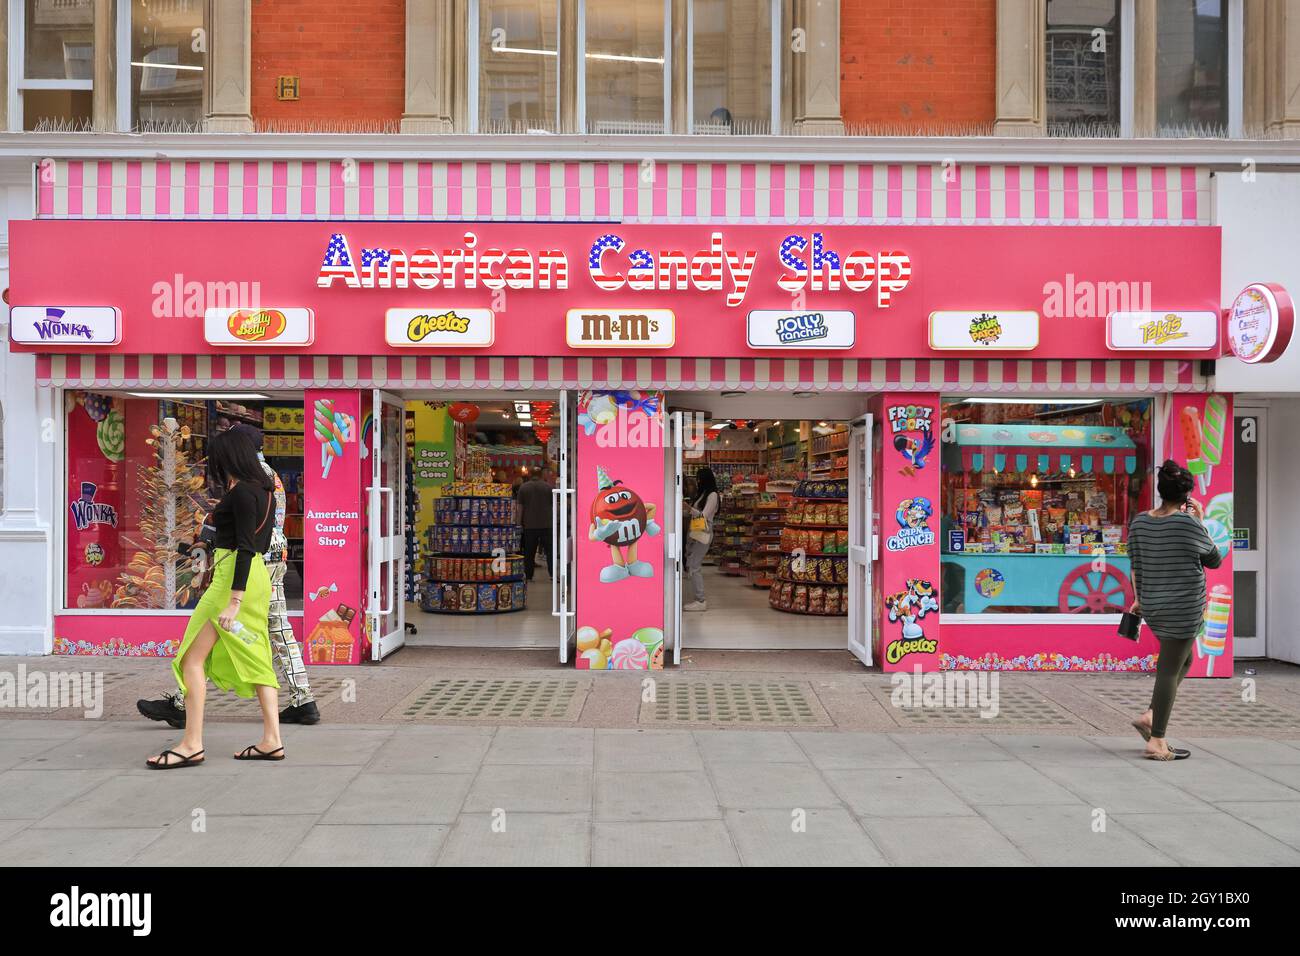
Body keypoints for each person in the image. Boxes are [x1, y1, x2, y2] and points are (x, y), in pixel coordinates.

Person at [137, 424, 320, 727]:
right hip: (271, 555)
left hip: (252, 559)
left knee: (240, 633)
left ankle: (185, 703)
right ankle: (302, 698)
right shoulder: (266, 475)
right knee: (273, 630)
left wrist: (210, 547)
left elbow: (239, 526)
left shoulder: (250, 479)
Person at [145, 428, 284, 768]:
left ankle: (191, 743)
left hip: (233, 582)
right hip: (255, 579)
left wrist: (233, 601)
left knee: (191, 660)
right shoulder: (266, 492)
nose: (214, 465)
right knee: (257, 656)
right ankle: (272, 740)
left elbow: (245, 548)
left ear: (230, 457)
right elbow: (248, 544)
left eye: (218, 458)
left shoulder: (241, 494)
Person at [1127, 459, 1223, 761]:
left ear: (1160, 491)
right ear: (1187, 496)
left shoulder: (1140, 522)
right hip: (1183, 606)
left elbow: (1135, 564)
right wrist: (1201, 519)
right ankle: (1156, 739)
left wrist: (1139, 599)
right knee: (1169, 670)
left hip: (1154, 605)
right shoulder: (1188, 523)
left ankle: (1153, 714)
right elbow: (1214, 559)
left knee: (1184, 660)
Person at [682, 466, 720, 612]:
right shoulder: (703, 493)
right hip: (696, 530)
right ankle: (698, 598)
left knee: (695, 566)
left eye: (699, 478)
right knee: (692, 564)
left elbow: (703, 516)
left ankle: (700, 600)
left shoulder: (713, 495)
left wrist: (688, 508)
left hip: (703, 530)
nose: (697, 481)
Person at [517, 466, 554, 582]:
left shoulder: (523, 488)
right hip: (546, 524)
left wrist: (519, 524)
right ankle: (552, 574)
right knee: (550, 551)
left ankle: (528, 575)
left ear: (530, 474)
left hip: (529, 525)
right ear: (541, 475)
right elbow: (553, 505)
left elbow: (520, 508)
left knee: (529, 552)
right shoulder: (548, 487)